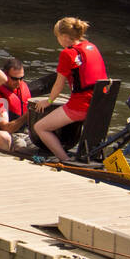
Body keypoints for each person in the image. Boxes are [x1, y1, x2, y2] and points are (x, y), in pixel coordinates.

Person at [32, 17, 109, 162]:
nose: (58, 40)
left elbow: (58, 85)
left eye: (58, 37)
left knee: (40, 127)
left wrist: (48, 101)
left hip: (81, 106)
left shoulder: (67, 54)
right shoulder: (92, 47)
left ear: (65, 37)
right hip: (100, 104)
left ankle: (65, 160)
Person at [0, 56, 33, 142]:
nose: (19, 82)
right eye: (14, 79)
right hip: (7, 136)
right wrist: (28, 114)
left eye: (21, 78)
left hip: (25, 131)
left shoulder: (22, 86)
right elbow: (6, 128)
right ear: (5, 75)